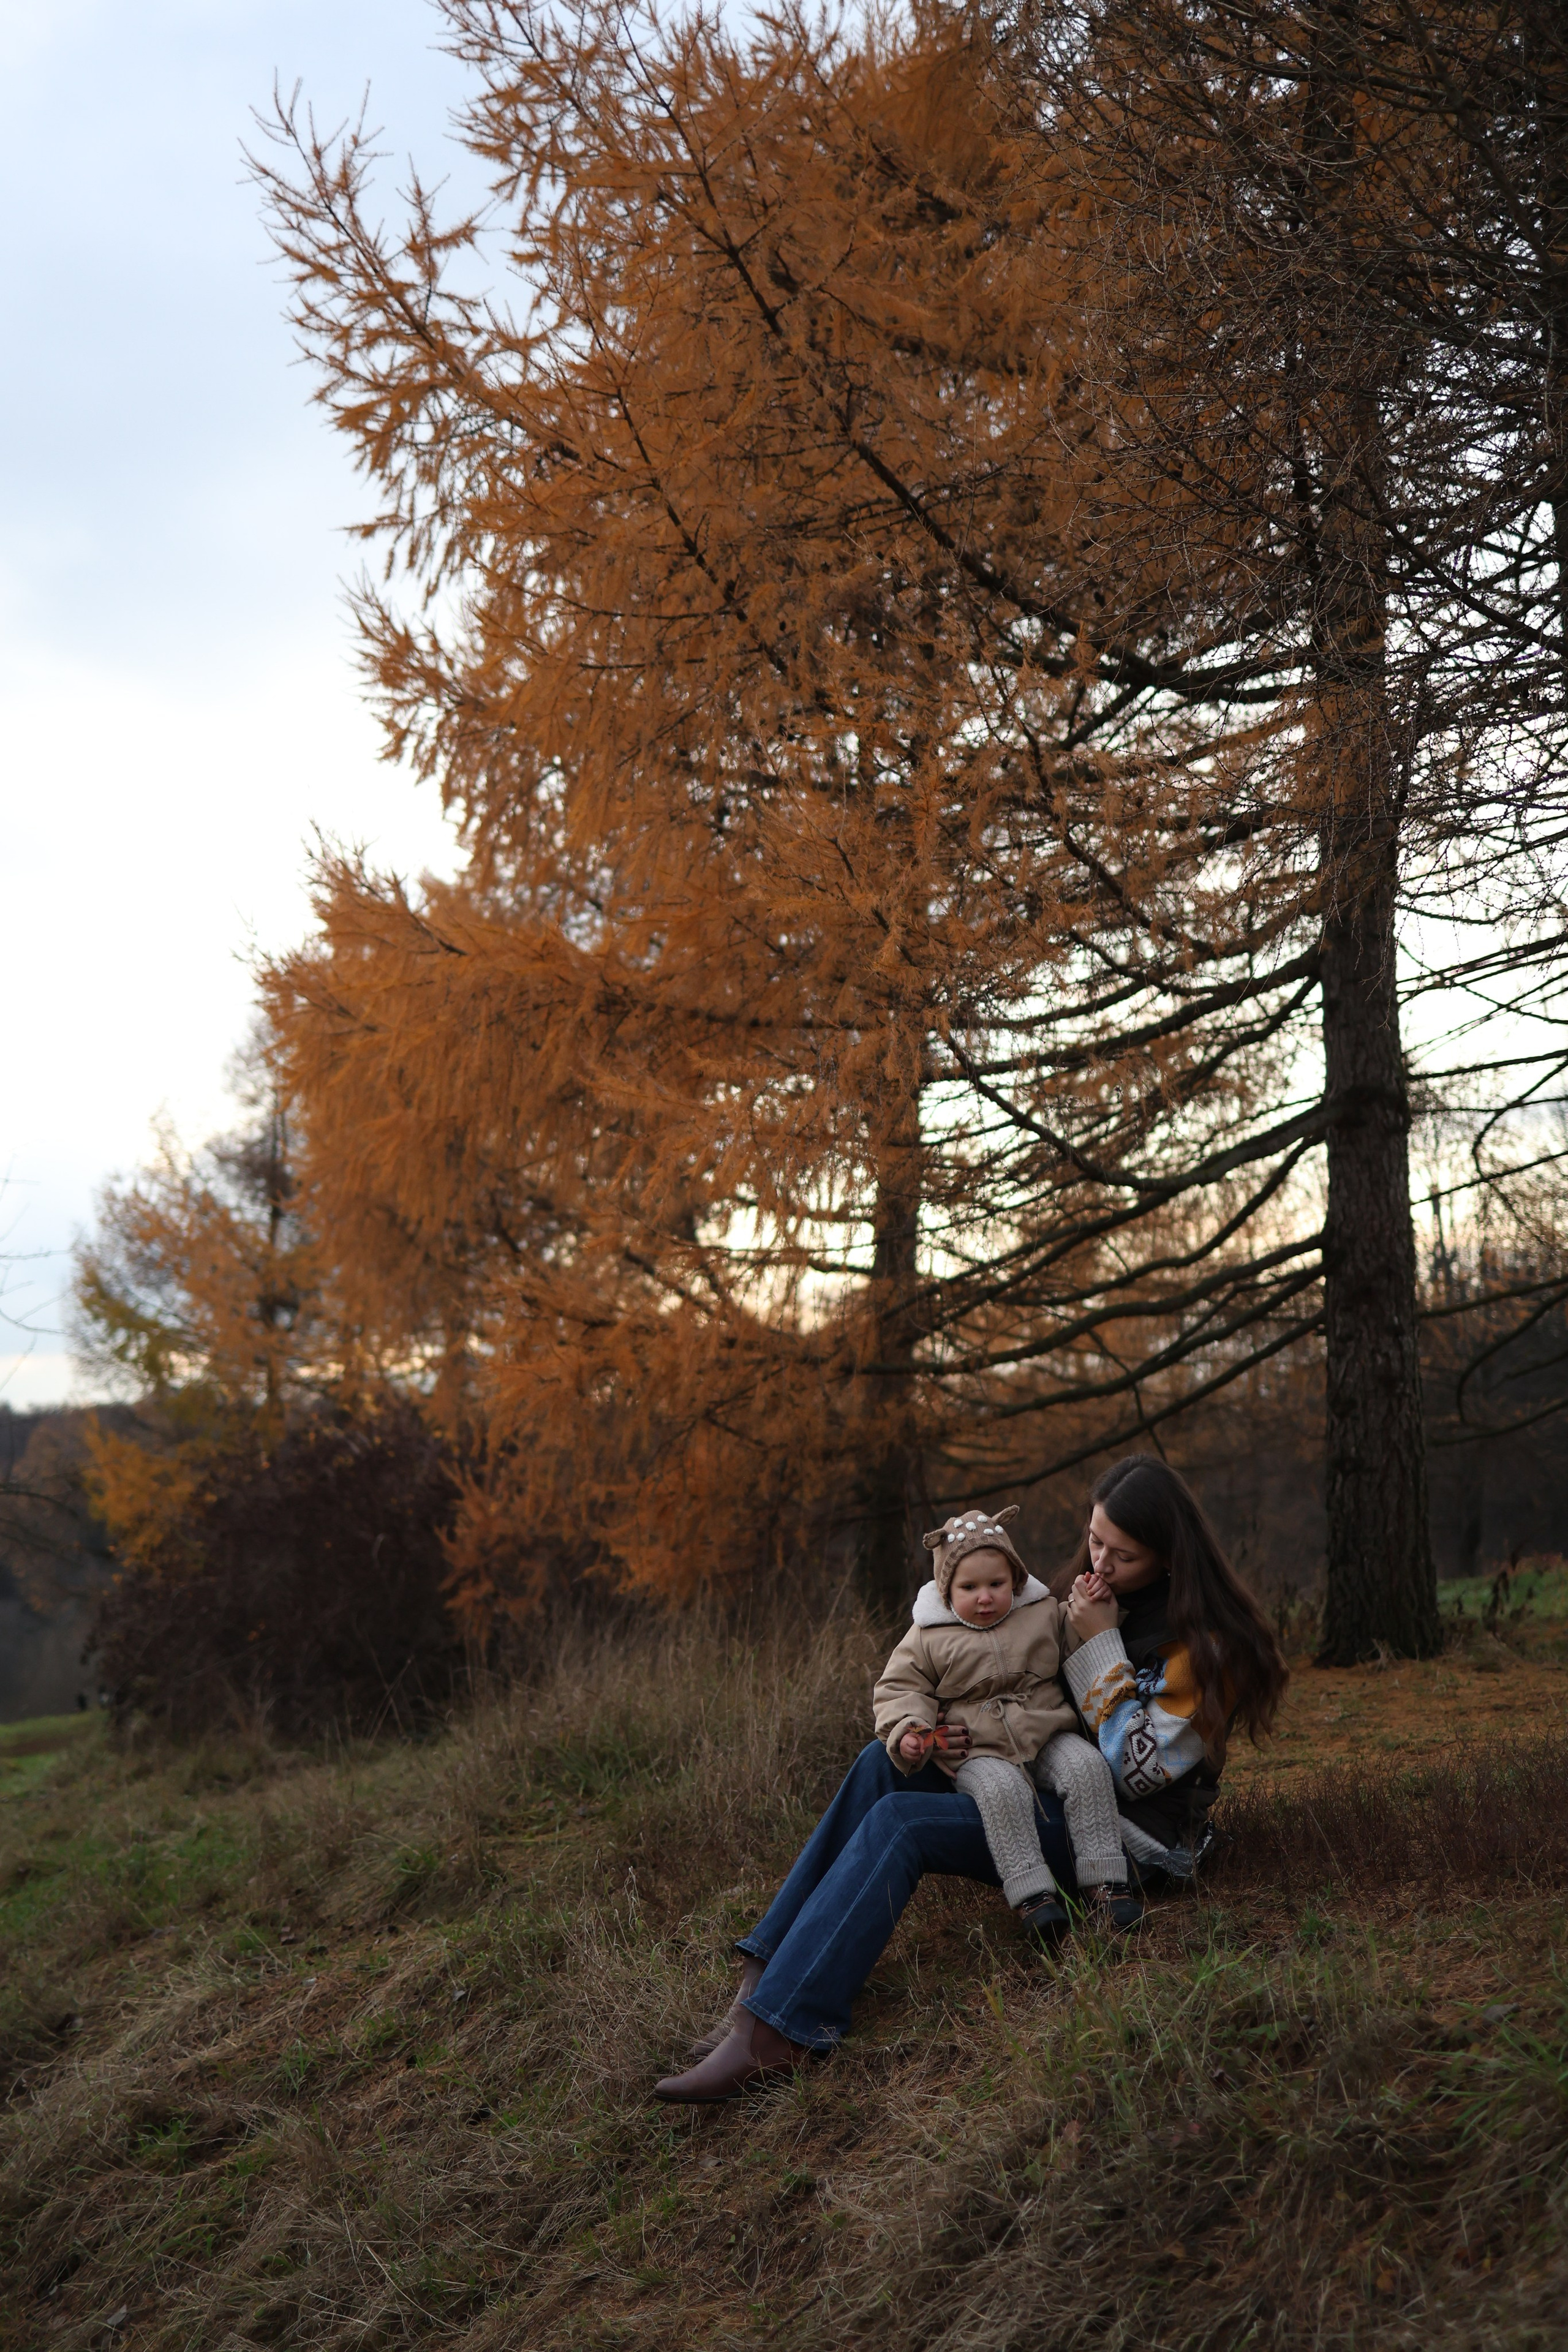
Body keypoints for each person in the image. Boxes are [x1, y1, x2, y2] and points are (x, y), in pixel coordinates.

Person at [653, 1457, 1288, 2104]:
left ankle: (780, 2034)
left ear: (1170, 1558)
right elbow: (1013, 1682)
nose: (1097, 1565)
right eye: (1093, 1540)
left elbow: (1136, 1772)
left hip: (1127, 1838)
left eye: (1120, 1555)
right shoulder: (1086, 1599)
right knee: (883, 1764)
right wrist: (945, 1737)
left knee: (903, 1825)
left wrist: (1100, 1644)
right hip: (1044, 1787)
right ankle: (762, 1979)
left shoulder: (1207, 1646)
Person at [873, 1506, 1142, 1945]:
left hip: (1048, 1732)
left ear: (1014, 1580)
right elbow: (900, 1688)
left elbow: (1077, 1637)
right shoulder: (927, 1636)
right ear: (946, 1591)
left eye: (996, 1584)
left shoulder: (1040, 1612)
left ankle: (1107, 1883)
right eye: (969, 1587)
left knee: (1088, 1769)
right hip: (977, 1749)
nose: (985, 1597)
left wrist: (1094, 1602)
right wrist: (910, 1730)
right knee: (1004, 1795)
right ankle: (1034, 1897)